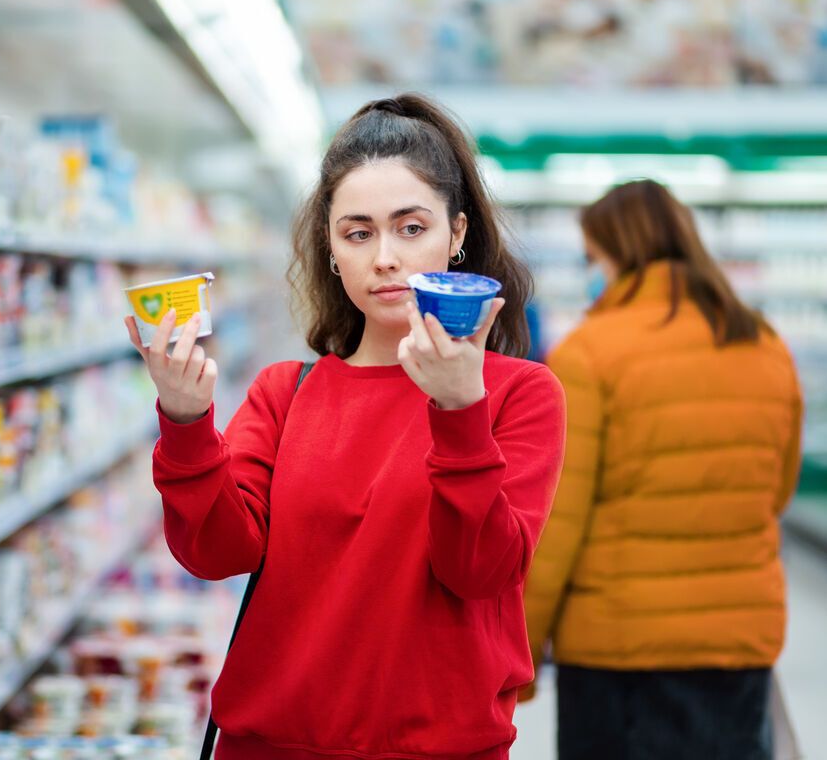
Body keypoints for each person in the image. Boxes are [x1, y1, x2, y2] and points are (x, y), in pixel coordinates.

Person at [125, 93, 566, 759]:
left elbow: (480, 571)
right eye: (357, 233)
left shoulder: (520, 395)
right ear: (331, 252)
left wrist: (458, 415)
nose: (384, 257)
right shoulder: (286, 392)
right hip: (268, 747)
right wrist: (186, 423)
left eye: (410, 228)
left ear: (457, 233)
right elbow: (216, 553)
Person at [521, 180, 804, 760]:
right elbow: (775, 491)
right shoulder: (764, 344)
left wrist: (519, 653)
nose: (590, 272)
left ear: (621, 253)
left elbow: (559, 527)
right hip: (736, 647)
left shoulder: (589, 353)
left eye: (592, 257)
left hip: (617, 655)